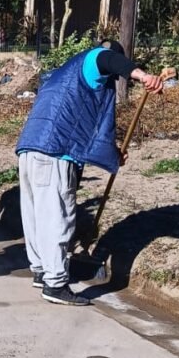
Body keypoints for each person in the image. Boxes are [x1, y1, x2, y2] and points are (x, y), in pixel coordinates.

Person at [15, 40, 164, 307]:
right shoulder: (94, 59)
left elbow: (84, 122)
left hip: (31, 147)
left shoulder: (66, 73)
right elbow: (106, 58)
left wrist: (112, 153)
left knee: (37, 215)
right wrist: (143, 76)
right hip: (55, 151)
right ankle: (55, 284)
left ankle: (41, 270)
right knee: (57, 218)